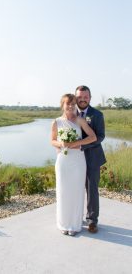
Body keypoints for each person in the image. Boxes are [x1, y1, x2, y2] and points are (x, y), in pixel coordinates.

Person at [51, 94, 97, 236]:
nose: (70, 107)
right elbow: (52, 140)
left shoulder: (80, 120)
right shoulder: (56, 122)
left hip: (78, 161)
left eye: (73, 104)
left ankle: (75, 225)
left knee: (76, 192)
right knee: (63, 192)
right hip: (63, 161)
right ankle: (64, 224)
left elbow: (93, 137)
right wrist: (62, 143)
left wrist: (76, 143)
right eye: (67, 104)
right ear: (62, 105)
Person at [75, 85, 106, 233]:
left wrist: (81, 146)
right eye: (79, 97)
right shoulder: (70, 113)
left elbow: (100, 136)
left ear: (90, 98)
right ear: (75, 98)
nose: (82, 99)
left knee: (91, 189)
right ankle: (74, 217)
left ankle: (92, 220)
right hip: (73, 159)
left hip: (92, 157)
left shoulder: (97, 115)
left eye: (85, 97)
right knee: (73, 188)